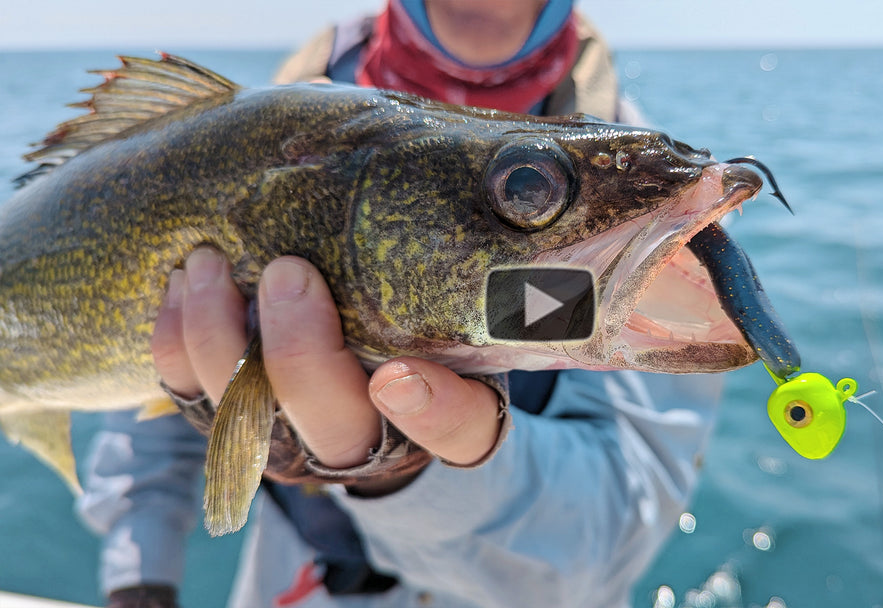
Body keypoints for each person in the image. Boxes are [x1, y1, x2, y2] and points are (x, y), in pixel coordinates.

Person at [77, 1, 725, 607]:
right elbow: (159, 368)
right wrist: (139, 573)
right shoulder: (251, 132)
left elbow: (610, 540)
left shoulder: (637, 197)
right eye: (524, 192)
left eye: (528, 192)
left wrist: (405, 476)